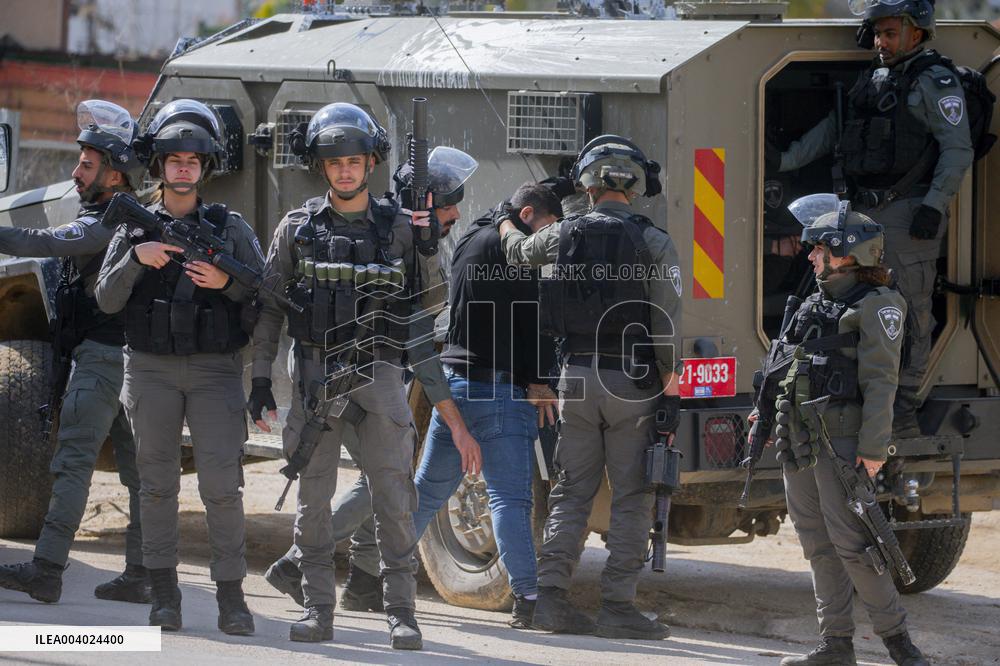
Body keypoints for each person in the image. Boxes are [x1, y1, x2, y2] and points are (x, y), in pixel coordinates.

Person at [247, 103, 480, 649]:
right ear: (321, 166)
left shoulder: (400, 229)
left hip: (378, 376)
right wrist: (260, 377)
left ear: (370, 163)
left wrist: (427, 248)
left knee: (394, 498)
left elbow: (426, 308)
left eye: (354, 161)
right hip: (314, 377)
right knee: (313, 502)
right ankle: (318, 609)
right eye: (335, 162)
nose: (345, 171)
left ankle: (402, 612)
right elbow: (270, 310)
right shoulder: (296, 229)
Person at [498, 135, 683, 640]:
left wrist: (504, 221)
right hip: (632, 381)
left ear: (587, 182)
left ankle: (552, 599)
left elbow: (517, 253)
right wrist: (670, 378)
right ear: (636, 184)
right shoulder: (654, 241)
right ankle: (618, 606)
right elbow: (666, 320)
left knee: (571, 491)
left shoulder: (563, 233)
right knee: (632, 496)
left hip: (574, 377)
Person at [95, 99, 260, 636]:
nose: (183, 167)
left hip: (215, 370)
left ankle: (232, 600)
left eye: (193, 159)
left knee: (221, 486)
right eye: (174, 159)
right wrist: (134, 260)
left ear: (204, 167)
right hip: (150, 369)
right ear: (160, 166)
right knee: (157, 485)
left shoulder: (230, 228)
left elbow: (263, 293)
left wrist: (225, 284)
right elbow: (105, 300)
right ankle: (163, 596)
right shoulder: (137, 224)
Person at [774, 0, 973, 436]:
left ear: (916, 32)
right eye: (877, 33)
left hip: (907, 215)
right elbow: (834, 129)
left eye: (889, 33)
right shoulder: (877, 77)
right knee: (843, 305)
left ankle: (901, 412)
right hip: (860, 216)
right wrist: (784, 160)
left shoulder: (935, 82)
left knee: (911, 313)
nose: (880, 42)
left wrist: (932, 206)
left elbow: (957, 150)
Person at [759, 195, 928, 666]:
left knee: (856, 546)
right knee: (816, 543)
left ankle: (899, 645)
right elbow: (786, 366)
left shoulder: (878, 306)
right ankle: (835, 645)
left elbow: (882, 383)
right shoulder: (815, 301)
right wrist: (769, 413)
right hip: (802, 437)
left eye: (819, 248)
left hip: (844, 444)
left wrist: (874, 450)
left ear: (848, 253)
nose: (810, 255)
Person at [0, 100, 149, 605]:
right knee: (141, 474)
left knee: (73, 462)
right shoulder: (122, 218)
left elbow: (38, 239)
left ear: (115, 174)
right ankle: (141, 572)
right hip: (131, 364)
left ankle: (46, 570)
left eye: (87, 164)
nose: (75, 171)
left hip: (105, 361)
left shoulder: (109, 224)